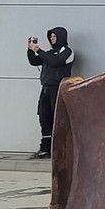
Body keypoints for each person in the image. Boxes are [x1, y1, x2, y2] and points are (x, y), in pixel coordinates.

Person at [27, 27, 74, 159]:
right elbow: (34, 61)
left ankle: (61, 149)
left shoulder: (67, 51)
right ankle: (45, 148)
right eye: (51, 37)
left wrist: (39, 51)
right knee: (44, 117)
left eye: (54, 36)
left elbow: (56, 61)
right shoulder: (49, 53)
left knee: (57, 118)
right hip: (46, 89)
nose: (52, 39)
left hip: (58, 89)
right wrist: (31, 50)